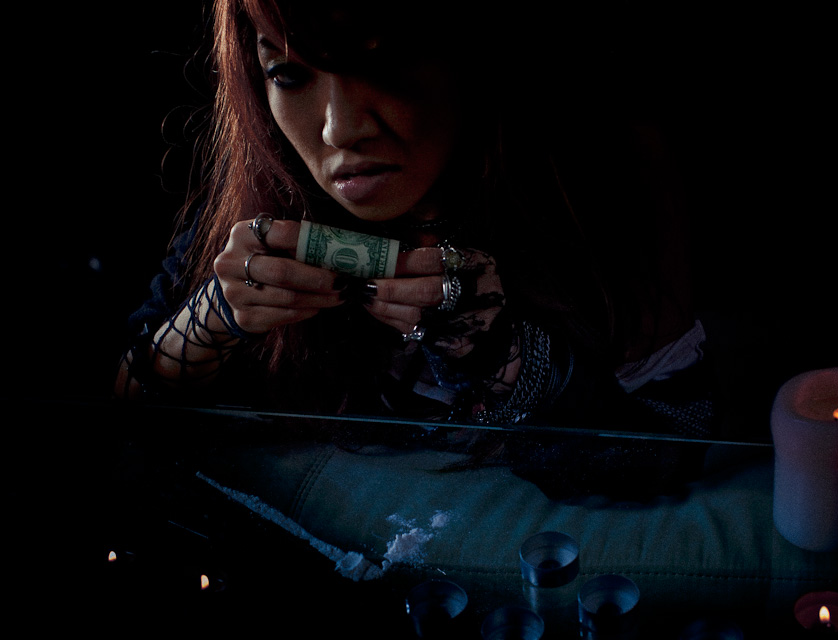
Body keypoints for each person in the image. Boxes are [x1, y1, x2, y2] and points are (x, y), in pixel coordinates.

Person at [115, 0, 716, 455]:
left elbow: (681, 450)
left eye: (379, 60)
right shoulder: (269, 190)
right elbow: (120, 419)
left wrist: (504, 360)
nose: (339, 130)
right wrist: (216, 318)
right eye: (289, 75)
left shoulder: (609, 171)